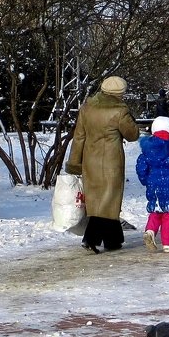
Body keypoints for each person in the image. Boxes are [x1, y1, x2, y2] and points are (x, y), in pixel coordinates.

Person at [66, 75, 141, 253]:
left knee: (101, 202)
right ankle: (90, 238)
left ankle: (113, 240)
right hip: (111, 163)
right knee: (108, 202)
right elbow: (133, 135)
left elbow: (79, 137)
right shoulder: (120, 111)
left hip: (90, 161)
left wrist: (75, 163)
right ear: (120, 93)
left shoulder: (87, 108)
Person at [135, 115, 169, 253]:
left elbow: (141, 168)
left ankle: (151, 231)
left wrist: (145, 180)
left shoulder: (147, 151)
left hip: (153, 186)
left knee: (155, 211)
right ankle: (167, 244)